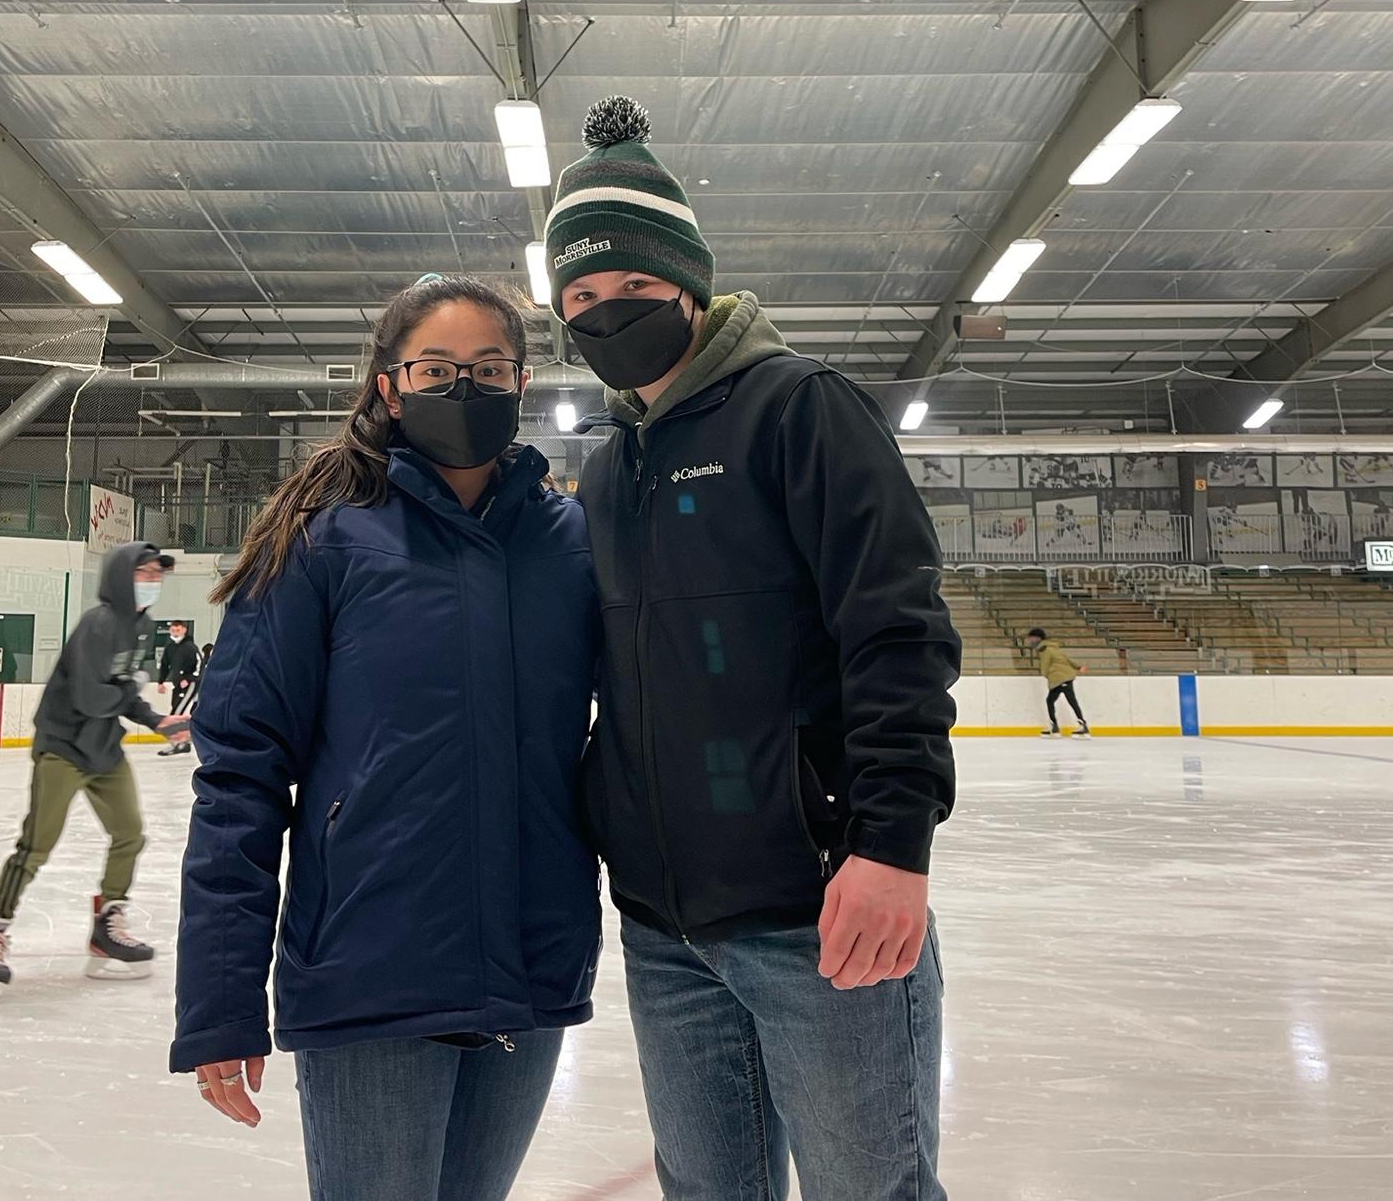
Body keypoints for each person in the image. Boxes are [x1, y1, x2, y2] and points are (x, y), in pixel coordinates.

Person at [543, 96, 960, 1201]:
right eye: (580, 295)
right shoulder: (608, 469)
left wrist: (893, 845)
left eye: (633, 285)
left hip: (817, 911)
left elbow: (899, 631)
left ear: (690, 284)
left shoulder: (799, 410)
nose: (605, 310)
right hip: (662, 930)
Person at [170, 275, 601, 1201]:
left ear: (522, 384)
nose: (464, 388)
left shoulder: (568, 542)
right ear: (390, 387)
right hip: (371, 971)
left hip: (533, 967)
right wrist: (220, 1000)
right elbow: (241, 775)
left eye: (489, 369)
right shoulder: (322, 542)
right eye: (435, 369)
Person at [0, 542, 192, 1002]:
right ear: (121, 576)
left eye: (157, 574)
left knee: (129, 833)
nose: (153, 580)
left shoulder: (142, 627)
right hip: (63, 748)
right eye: (144, 572)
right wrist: (129, 691)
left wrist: (155, 720)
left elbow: (121, 692)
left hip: (103, 749)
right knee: (37, 845)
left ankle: (107, 925)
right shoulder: (98, 624)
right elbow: (91, 696)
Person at [1026, 628, 1091, 737]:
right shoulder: (1053, 648)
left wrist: (1045, 674)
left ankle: (1081, 726)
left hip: (1060, 678)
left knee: (1069, 701)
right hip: (1062, 678)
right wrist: (1078, 667)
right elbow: (1067, 659)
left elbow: (1045, 665)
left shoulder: (1045, 649)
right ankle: (1056, 727)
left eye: (1031, 638)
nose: (1030, 640)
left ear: (1038, 638)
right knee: (1052, 700)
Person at [156, 619, 200, 757]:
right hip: (177, 685)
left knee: (177, 713)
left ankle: (177, 743)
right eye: (173, 630)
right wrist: (161, 682)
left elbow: (199, 665)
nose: (175, 632)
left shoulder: (190, 647)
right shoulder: (170, 647)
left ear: (184, 630)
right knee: (176, 711)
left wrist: (189, 678)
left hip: (190, 684)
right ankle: (183, 743)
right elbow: (165, 665)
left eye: (178, 630)